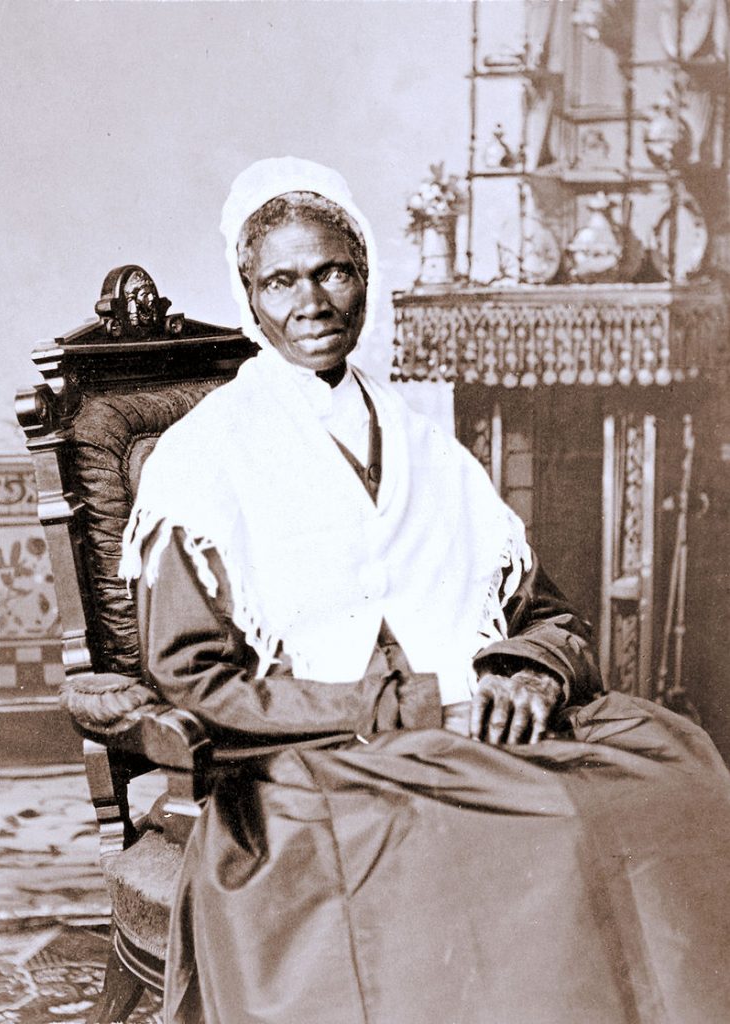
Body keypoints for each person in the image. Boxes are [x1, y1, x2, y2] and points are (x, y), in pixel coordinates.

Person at [120, 159, 730, 1024]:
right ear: (248, 295)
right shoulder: (201, 460)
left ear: (364, 278)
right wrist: (407, 706)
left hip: (476, 721)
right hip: (316, 757)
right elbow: (194, 678)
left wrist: (525, 674)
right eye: (282, 281)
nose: (312, 301)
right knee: (551, 820)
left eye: (334, 272)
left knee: (671, 759)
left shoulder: (426, 446)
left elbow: (544, 612)